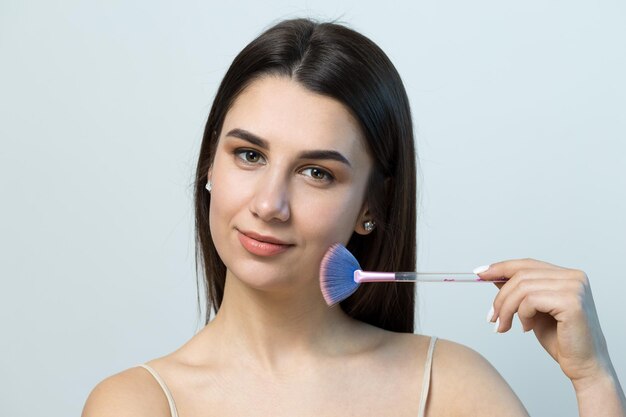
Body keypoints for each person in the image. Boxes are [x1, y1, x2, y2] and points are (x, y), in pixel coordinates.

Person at [81, 17, 625, 416]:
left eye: (317, 172)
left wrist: (593, 379)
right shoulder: (138, 403)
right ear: (208, 167)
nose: (270, 204)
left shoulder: (452, 388)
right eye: (249, 155)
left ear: (371, 207)